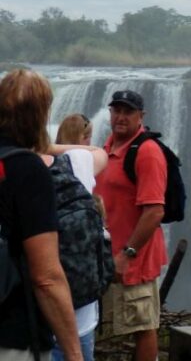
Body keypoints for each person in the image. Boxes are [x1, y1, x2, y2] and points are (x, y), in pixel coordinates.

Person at [0, 69, 82, 361]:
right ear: (40, 115)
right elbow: (46, 277)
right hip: (12, 334)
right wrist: (74, 353)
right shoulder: (28, 170)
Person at [94, 90, 166, 361]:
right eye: (117, 111)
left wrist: (127, 254)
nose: (121, 117)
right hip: (107, 256)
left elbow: (154, 212)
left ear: (141, 116)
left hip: (134, 259)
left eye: (128, 112)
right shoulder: (107, 146)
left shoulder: (147, 152)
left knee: (142, 326)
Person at [43, 140, 108, 361]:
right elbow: (99, 152)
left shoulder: (13, 171)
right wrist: (46, 145)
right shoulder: (76, 163)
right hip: (81, 319)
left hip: (32, 323)